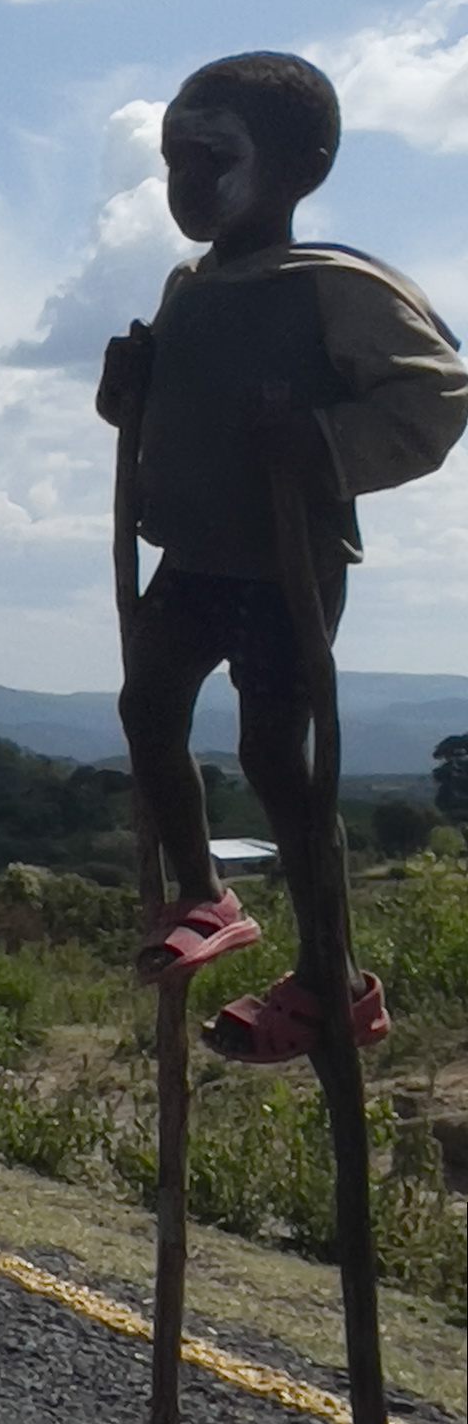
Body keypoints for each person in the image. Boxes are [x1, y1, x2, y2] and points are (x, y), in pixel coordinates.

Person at [98, 53, 466, 1059]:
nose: (186, 181)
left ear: (300, 168)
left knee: (273, 754)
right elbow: (170, 410)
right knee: (148, 706)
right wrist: (124, 392)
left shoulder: (335, 289)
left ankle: (332, 980)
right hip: (194, 554)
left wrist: (321, 443)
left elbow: (436, 395)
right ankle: (204, 894)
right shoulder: (189, 288)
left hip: (283, 564)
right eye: (173, 160)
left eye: (211, 158)